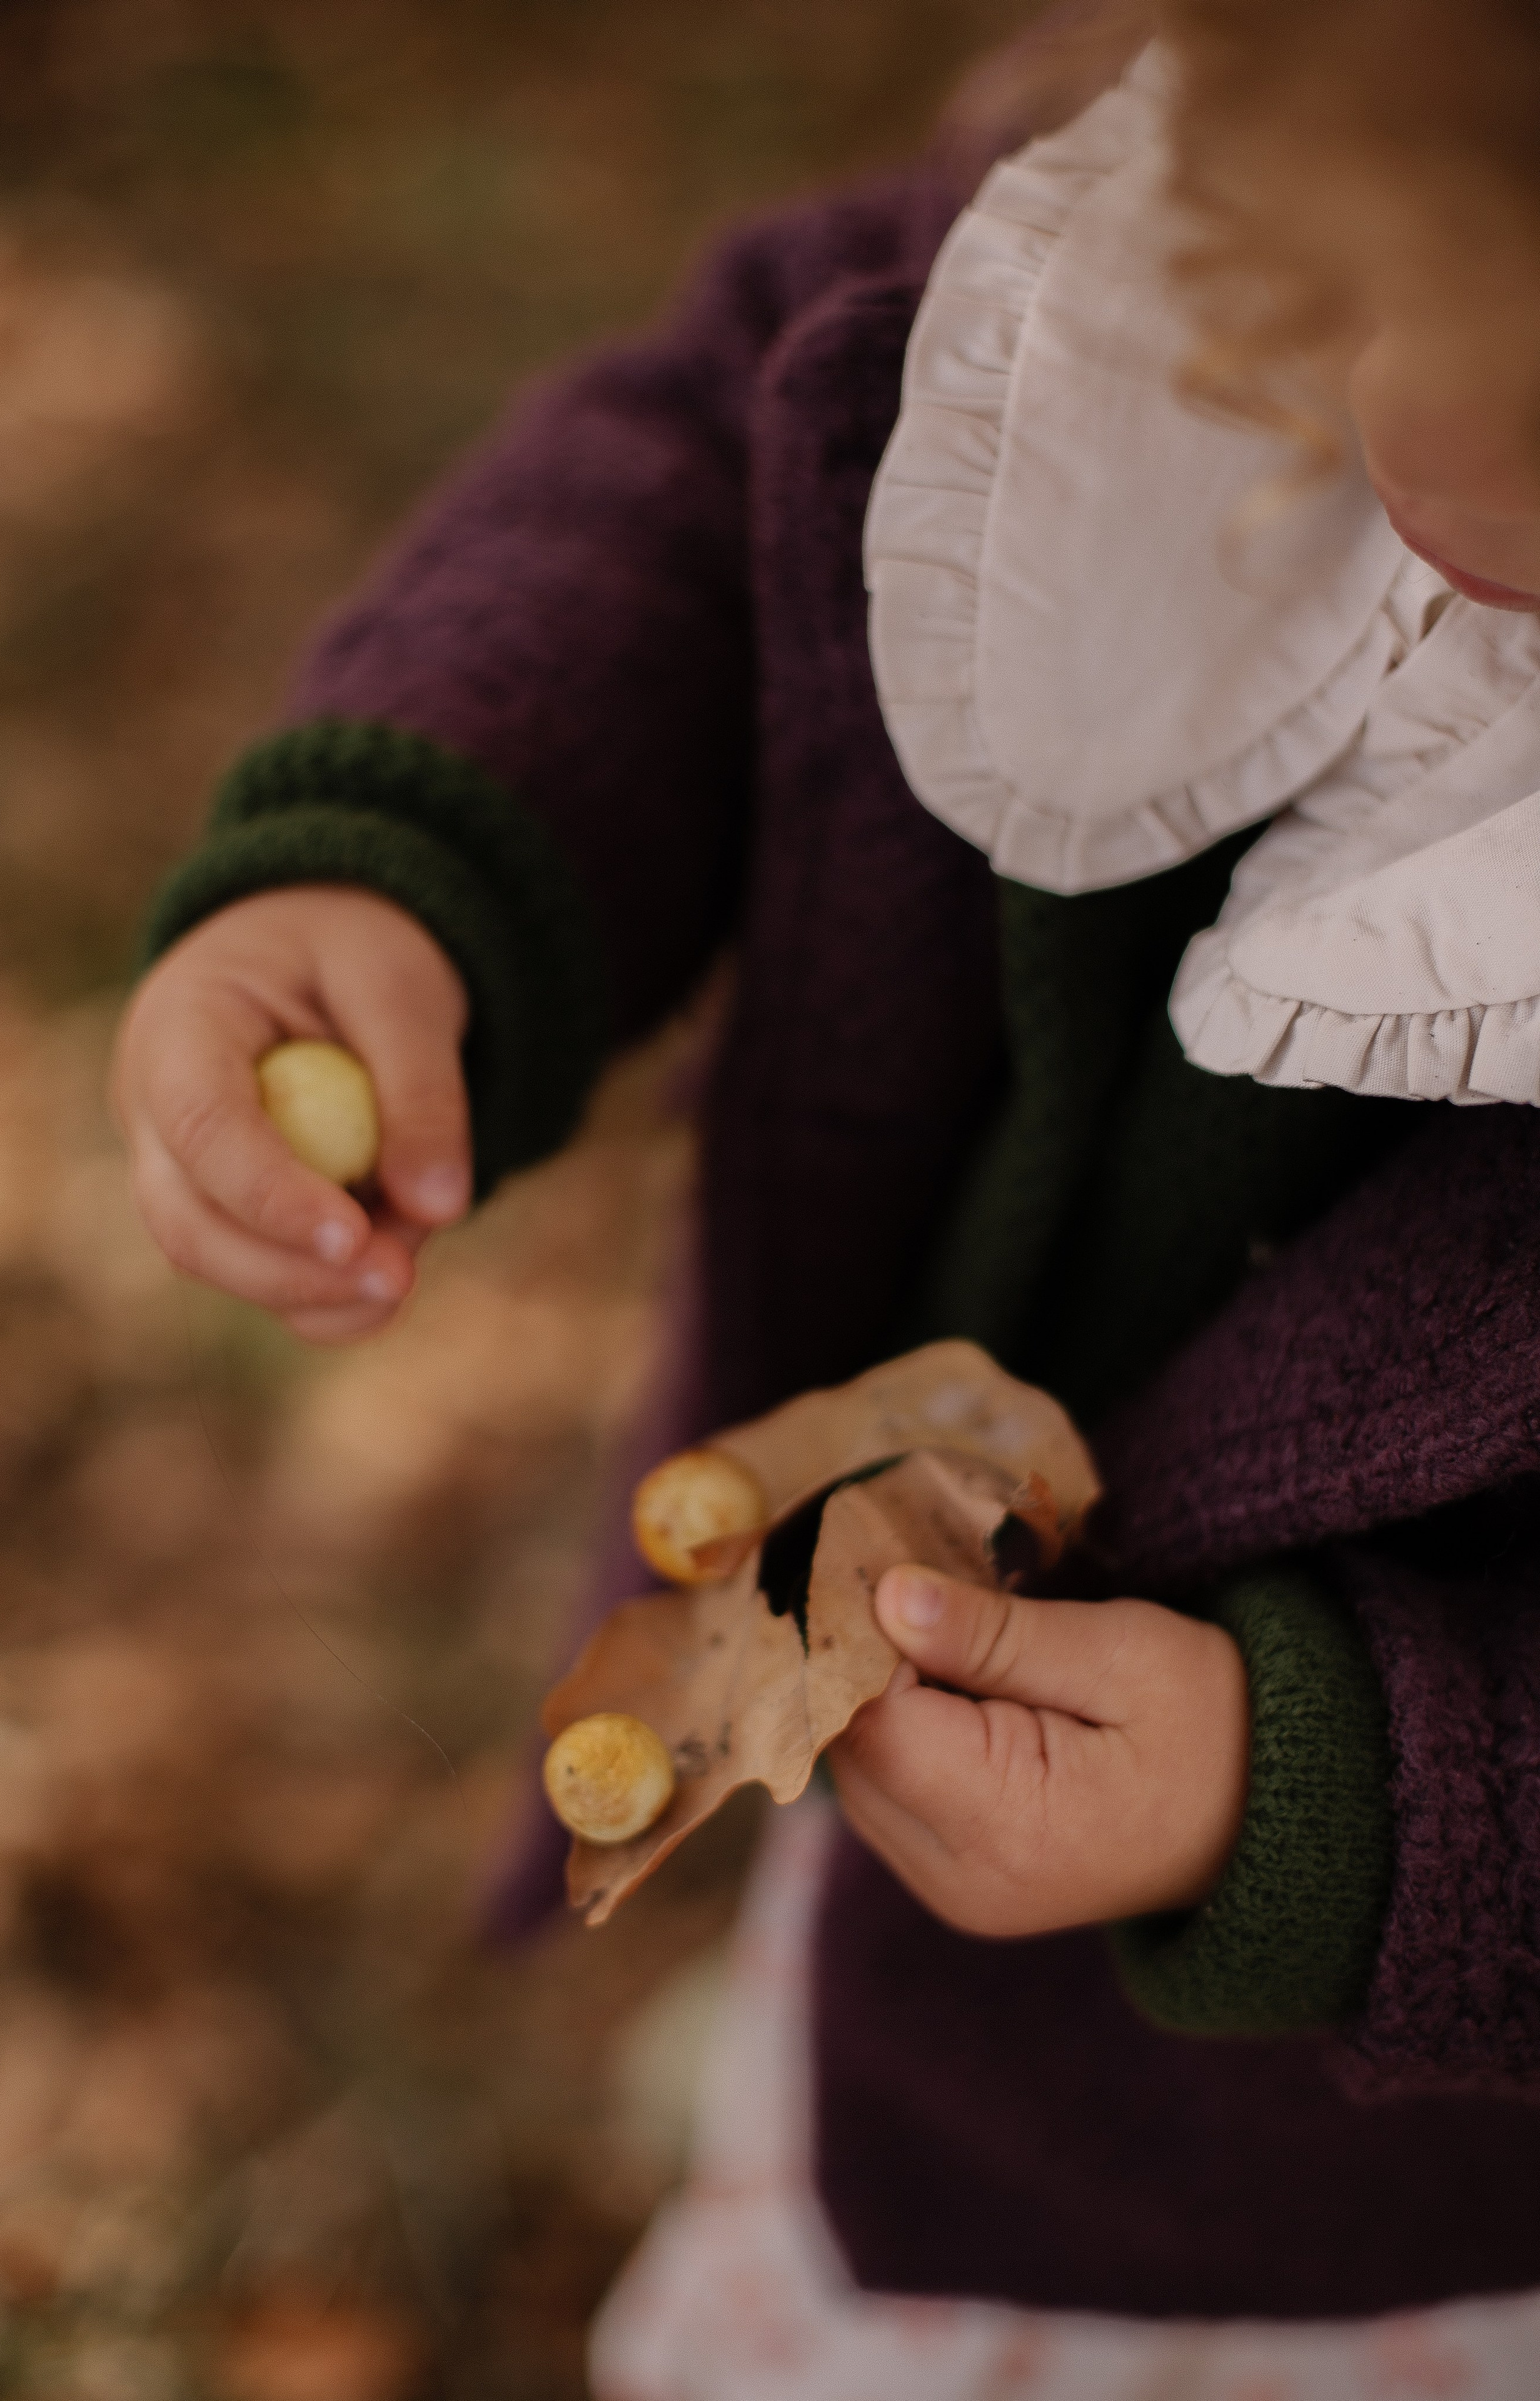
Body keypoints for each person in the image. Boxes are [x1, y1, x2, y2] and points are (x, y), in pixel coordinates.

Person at [113, 0, 1540, 2388]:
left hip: (1391, 2207)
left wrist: (1322, 1794)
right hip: (927, 1877)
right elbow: (723, 458)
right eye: (1340, 294)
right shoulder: (1227, 227)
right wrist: (427, 854)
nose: (1407, 413)